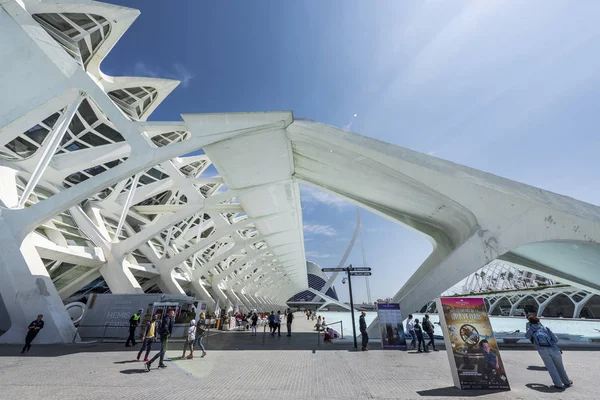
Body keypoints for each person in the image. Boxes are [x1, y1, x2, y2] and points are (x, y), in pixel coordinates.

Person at [525, 315, 572, 390]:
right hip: (554, 349)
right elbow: (556, 340)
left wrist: (529, 330)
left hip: (543, 351)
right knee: (560, 367)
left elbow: (527, 336)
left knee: (551, 368)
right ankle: (567, 382)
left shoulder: (531, 329)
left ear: (530, 322)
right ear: (538, 321)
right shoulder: (545, 328)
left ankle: (558, 384)